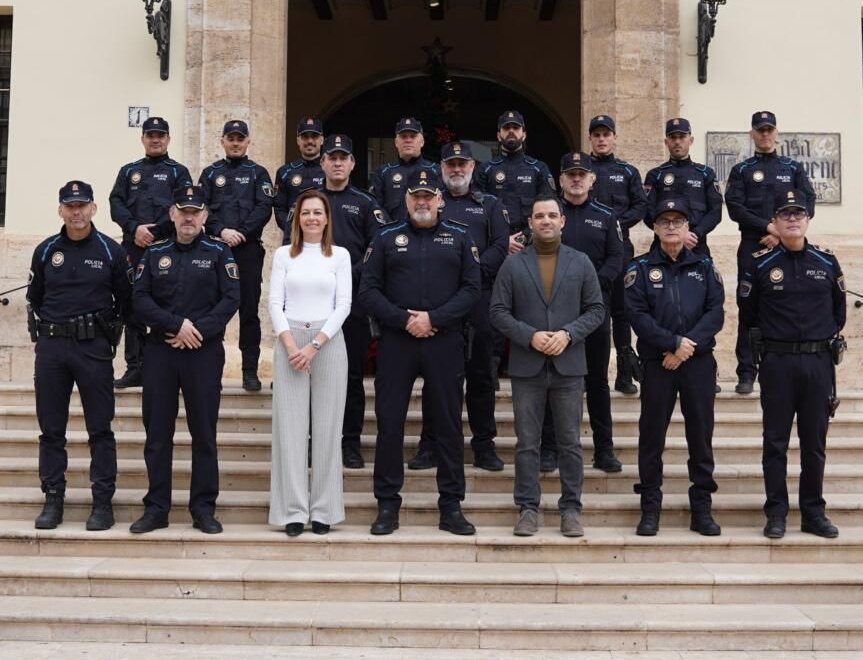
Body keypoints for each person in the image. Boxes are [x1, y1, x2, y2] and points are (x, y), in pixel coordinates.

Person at [360, 169, 481, 536]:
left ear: (439, 199)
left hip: (444, 341)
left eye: (429, 195)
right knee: (389, 423)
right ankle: (387, 504)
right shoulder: (385, 237)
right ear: (407, 199)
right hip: (397, 342)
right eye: (417, 196)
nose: (423, 201)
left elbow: (472, 289)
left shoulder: (460, 237)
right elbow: (368, 291)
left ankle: (451, 505)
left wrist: (434, 319)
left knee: (448, 424)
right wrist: (404, 320)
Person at [489, 195, 605, 537]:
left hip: (569, 366)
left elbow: (596, 310)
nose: (546, 221)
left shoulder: (581, 262)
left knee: (570, 442)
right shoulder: (513, 264)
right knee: (527, 443)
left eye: (552, 215)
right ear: (530, 222)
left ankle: (571, 509)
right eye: (539, 215)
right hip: (528, 366)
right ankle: (528, 508)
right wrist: (530, 336)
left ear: (562, 221)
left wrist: (569, 334)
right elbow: (497, 311)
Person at [129, 186, 241, 535]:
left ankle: (203, 509)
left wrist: (197, 331)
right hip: (161, 351)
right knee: (157, 435)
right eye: (183, 211)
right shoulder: (154, 252)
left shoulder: (219, 252)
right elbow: (139, 298)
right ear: (172, 214)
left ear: (205, 215)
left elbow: (231, 298)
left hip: (203, 353)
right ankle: (156, 509)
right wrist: (176, 325)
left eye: (195, 211)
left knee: (204, 433)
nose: (189, 217)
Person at [740, 189, 845, 540]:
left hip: (818, 363)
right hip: (778, 362)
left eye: (798, 213)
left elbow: (839, 313)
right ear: (774, 221)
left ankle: (813, 513)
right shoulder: (761, 264)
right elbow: (749, 313)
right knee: (775, 443)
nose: (793, 219)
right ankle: (776, 513)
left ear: (808, 219)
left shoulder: (826, 262)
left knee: (814, 443)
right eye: (785, 214)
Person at [27, 180, 132, 531]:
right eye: (70, 206)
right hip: (52, 348)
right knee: (51, 430)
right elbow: (36, 298)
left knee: (100, 429)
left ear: (93, 209)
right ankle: (53, 498)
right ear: (60, 210)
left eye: (82, 205)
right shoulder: (46, 251)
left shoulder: (110, 251)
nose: (76, 212)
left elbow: (126, 301)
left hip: (93, 349)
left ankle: (102, 502)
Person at [625, 198, 725, 537]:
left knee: (701, 436)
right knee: (652, 436)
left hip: (697, 362)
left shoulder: (705, 267)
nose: (671, 226)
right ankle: (650, 508)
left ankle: (702, 509)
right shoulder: (639, 269)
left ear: (687, 228)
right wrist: (671, 344)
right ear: (654, 227)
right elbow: (638, 316)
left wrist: (685, 347)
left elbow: (716, 313)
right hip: (658, 363)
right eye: (664, 221)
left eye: (678, 221)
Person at [407, 141, 509, 472]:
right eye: (450, 164)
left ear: (472, 167)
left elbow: (500, 245)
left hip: (480, 301)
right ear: (441, 168)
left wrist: (471, 274)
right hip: (441, 302)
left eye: (462, 163)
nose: (456, 169)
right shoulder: (431, 203)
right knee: (436, 378)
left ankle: (484, 446)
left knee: (481, 376)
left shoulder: (490, 205)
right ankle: (429, 445)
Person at [268, 190, 351, 537]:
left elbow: (343, 305)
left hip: (327, 342)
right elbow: (275, 302)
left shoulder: (340, 256)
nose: (312, 218)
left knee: (328, 429)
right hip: (290, 342)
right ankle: (293, 510)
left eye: (318, 212)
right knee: (290, 430)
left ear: (327, 218)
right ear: (297, 219)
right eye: (306, 213)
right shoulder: (284, 255)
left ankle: (324, 510)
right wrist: (292, 346)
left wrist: (315, 346)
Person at [539, 152, 624, 474]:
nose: (576, 179)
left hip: (593, 312)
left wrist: (590, 288)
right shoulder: (549, 214)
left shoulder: (606, 216)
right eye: (570, 174)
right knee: (551, 380)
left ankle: (604, 450)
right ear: (560, 180)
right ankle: (549, 449)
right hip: (553, 311)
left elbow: (616, 259)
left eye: (581, 174)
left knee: (597, 382)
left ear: (592, 179)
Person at [725, 110, 815, 395]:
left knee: (785, 304)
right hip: (753, 245)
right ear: (752, 134)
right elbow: (735, 207)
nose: (765, 134)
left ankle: (778, 368)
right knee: (748, 307)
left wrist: (782, 234)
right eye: (760, 130)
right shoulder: (741, 170)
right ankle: (746, 372)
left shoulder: (793, 168)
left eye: (769, 130)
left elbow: (808, 203)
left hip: (786, 248)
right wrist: (768, 227)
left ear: (776, 133)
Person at [319, 133, 388, 469]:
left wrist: (346, 274)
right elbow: (292, 245)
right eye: (331, 157)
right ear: (322, 162)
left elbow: (378, 248)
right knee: (314, 376)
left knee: (351, 377)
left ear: (352, 163)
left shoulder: (364, 203)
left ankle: (350, 443)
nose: (337, 163)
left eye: (342, 158)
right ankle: (318, 442)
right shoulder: (309, 202)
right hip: (313, 302)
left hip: (353, 302)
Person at [109, 116, 193, 389]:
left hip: (166, 248)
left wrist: (154, 232)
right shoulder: (128, 171)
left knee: (166, 303)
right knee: (132, 306)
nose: (155, 139)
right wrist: (135, 228)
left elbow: (184, 208)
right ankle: (135, 367)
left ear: (168, 139)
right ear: (143, 138)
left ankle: (165, 366)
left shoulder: (179, 172)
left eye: (160, 135)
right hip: (133, 247)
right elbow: (116, 203)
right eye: (150, 135)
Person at [199, 119, 274, 391]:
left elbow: (264, 208)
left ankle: (249, 370)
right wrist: (222, 231)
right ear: (222, 141)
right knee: (211, 309)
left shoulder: (259, 173)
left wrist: (240, 233)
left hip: (248, 250)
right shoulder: (210, 174)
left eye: (240, 138)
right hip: (216, 250)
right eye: (230, 138)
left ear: (248, 142)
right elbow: (201, 208)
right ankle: (210, 369)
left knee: (249, 312)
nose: (235, 143)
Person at [588, 114, 647, 395]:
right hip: (589, 252)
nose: (601, 139)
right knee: (588, 309)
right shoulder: (581, 169)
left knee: (621, 312)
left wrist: (613, 224)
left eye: (606, 134)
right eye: (597, 135)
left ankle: (624, 374)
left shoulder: (628, 172)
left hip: (621, 249)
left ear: (614, 138)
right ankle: (590, 374)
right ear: (590, 138)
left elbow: (640, 206)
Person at [476, 110, 556, 253]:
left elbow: (548, 207)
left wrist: (524, 237)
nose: (511, 131)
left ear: (524, 134)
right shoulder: (485, 169)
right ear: (498, 135)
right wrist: (502, 241)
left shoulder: (538, 168)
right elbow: (477, 210)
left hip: (531, 245)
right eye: (506, 128)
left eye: (516, 128)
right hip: (494, 245)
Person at [644, 117, 723, 255]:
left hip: (696, 244)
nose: (677, 141)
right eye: (673, 137)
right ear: (666, 142)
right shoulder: (656, 175)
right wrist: (672, 234)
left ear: (690, 140)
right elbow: (647, 212)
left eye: (682, 137)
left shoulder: (705, 174)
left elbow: (715, 212)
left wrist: (695, 234)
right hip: (662, 247)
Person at [370, 117, 438, 222]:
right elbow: (376, 207)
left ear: (422, 142)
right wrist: (391, 228)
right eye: (403, 136)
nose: (408, 140)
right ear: (396, 142)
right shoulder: (383, 172)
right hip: (391, 229)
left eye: (413, 136)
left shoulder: (435, 170)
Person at [273, 116, 326, 241]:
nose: (310, 141)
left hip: (324, 238)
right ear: (298, 140)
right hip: (293, 238)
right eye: (305, 137)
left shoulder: (330, 171)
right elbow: (279, 209)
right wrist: (294, 230)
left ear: (322, 140)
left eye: (314, 136)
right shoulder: (285, 172)